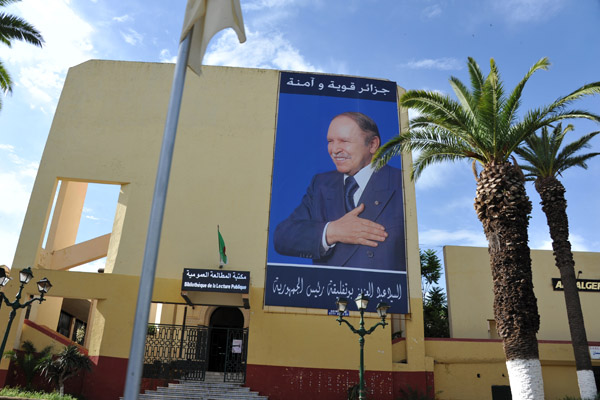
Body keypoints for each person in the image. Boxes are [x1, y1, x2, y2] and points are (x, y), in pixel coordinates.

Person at [273, 111, 405, 271]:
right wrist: (333, 231)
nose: (334, 150)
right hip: (329, 290)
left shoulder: (401, 183)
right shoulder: (321, 184)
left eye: (344, 141)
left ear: (372, 144)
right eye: (330, 141)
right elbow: (282, 237)